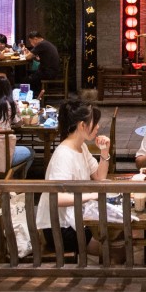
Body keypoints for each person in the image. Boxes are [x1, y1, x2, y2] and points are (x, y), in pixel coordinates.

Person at [35, 100, 111, 256]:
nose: (98, 127)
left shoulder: (81, 146)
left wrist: (104, 151)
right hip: (59, 227)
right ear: (82, 125)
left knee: (114, 237)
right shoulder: (64, 154)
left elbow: (99, 177)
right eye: (94, 122)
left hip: (73, 218)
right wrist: (93, 195)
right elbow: (56, 198)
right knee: (114, 249)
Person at [25, 31, 61, 95]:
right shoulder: (46, 43)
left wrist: (27, 54)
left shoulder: (41, 44)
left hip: (48, 72)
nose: (31, 43)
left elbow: (28, 57)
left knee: (27, 79)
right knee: (31, 74)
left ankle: (35, 96)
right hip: (53, 71)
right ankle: (37, 94)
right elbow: (41, 58)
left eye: (31, 41)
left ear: (35, 39)